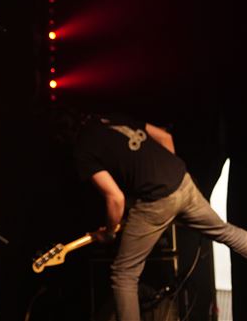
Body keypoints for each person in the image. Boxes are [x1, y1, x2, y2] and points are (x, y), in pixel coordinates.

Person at [59, 110, 247, 321]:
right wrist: (166, 175)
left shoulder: (82, 150)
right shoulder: (111, 119)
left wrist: (110, 233)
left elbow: (115, 199)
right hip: (181, 179)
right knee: (226, 232)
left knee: (123, 275)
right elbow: (165, 137)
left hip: (157, 200)